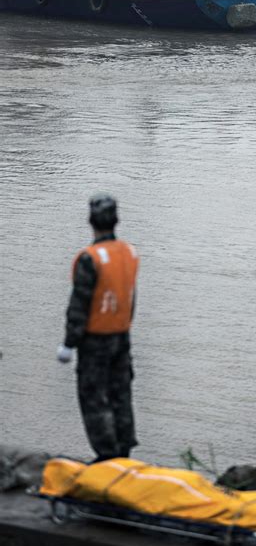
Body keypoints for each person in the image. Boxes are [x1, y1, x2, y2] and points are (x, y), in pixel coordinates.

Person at [57, 195, 139, 462]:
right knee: (121, 393)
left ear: (90, 221)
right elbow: (130, 296)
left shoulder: (90, 258)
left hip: (95, 340)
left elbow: (80, 303)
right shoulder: (129, 252)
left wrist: (69, 343)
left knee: (93, 396)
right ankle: (124, 450)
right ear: (117, 220)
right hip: (122, 337)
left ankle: (106, 456)